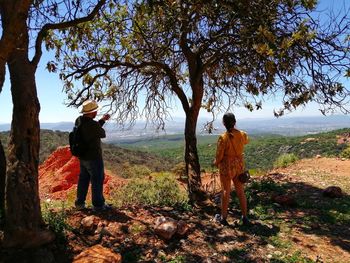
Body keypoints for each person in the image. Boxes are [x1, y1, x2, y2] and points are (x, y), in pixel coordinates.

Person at [74, 99, 111, 211]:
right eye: (95, 111)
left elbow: (94, 128)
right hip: (93, 157)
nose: (96, 113)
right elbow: (102, 133)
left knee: (83, 179)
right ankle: (98, 205)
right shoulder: (92, 124)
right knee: (97, 180)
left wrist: (102, 120)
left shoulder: (79, 120)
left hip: (83, 156)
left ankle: (80, 204)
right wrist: (101, 122)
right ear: (91, 112)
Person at [213, 112, 249, 226]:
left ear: (224, 123)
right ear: (235, 122)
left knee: (225, 191)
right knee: (240, 191)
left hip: (226, 167)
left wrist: (216, 162)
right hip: (239, 165)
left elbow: (219, 155)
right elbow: (246, 141)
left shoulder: (223, 138)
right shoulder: (242, 134)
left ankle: (223, 218)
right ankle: (245, 217)